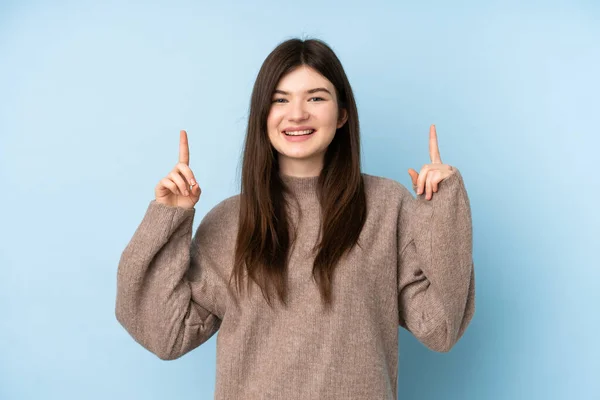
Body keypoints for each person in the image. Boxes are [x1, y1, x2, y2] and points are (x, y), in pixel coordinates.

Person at [115, 38, 475, 400]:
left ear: (342, 114)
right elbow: (165, 334)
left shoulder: (387, 206)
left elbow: (440, 327)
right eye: (280, 99)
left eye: (316, 98)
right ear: (263, 115)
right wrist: (170, 217)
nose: (297, 113)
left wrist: (444, 213)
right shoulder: (229, 221)